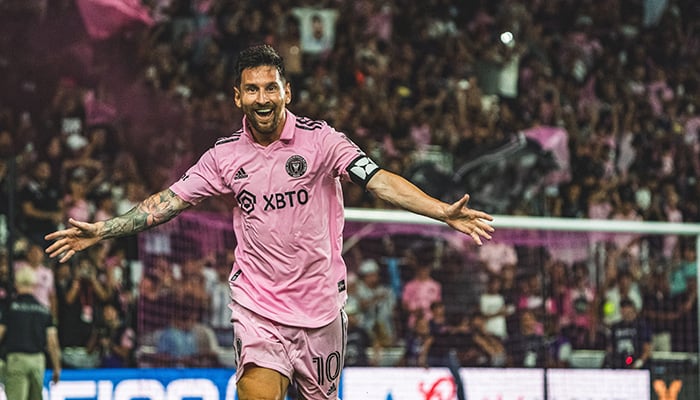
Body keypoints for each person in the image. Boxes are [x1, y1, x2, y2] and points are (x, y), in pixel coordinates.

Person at [44, 44, 494, 400]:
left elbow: (377, 180)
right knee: (257, 392)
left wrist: (440, 210)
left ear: (286, 91)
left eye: (270, 88)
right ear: (239, 96)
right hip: (259, 306)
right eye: (253, 89)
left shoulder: (323, 142)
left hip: (321, 309)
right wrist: (102, 230)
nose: (263, 98)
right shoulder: (224, 156)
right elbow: (167, 202)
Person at [0, 267, 61, 400]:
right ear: (34, 285)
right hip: (38, 360)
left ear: (16, 284)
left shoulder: (10, 308)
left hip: (16, 359)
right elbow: (52, 342)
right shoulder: (44, 310)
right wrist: (57, 367)